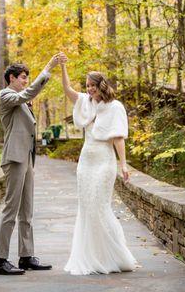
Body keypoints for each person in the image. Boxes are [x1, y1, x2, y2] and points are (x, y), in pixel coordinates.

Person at [60, 60, 139, 275]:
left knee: (99, 206)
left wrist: (123, 165)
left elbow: (118, 138)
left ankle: (115, 255)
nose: (89, 89)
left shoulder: (115, 107)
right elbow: (67, 89)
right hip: (86, 161)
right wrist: (63, 66)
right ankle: (91, 258)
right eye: (86, 86)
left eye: (92, 85)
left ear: (101, 85)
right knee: (86, 207)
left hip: (104, 160)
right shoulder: (85, 102)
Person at [0, 53, 66, 275]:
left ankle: (26, 256)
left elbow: (27, 98)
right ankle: (0, 260)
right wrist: (49, 66)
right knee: (10, 210)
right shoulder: (6, 95)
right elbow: (28, 93)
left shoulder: (21, 100)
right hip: (15, 158)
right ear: (12, 79)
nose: (25, 80)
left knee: (27, 210)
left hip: (27, 158)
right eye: (23, 77)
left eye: (27, 77)